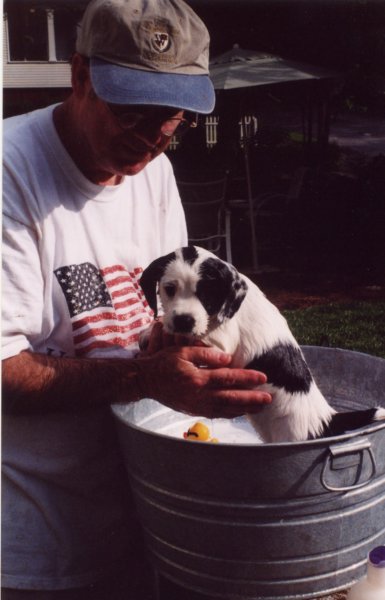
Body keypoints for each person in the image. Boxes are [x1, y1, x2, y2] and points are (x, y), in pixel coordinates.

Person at [1, 0, 272, 598]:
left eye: (170, 119)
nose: (150, 141)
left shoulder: (153, 172)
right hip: (34, 550)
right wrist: (147, 379)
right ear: (79, 77)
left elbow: (157, 324)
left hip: (144, 519)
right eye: (131, 114)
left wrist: (191, 353)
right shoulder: (9, 170)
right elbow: (3, 374)